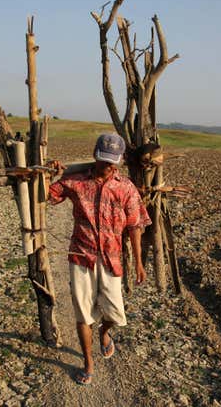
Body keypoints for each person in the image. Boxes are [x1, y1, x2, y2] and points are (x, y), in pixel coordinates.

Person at [47, 133, 151, 385]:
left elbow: (135, 225)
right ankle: (88, 363)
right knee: (84, 314)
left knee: (115, 314)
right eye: (103, 160)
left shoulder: (125, 187)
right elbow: (48, 196)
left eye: (111, 162)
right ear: (95, 155)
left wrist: (138, 261)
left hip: (112, 258)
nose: (107, 166)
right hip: (81, 256)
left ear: (119, 160)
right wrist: (50, 175)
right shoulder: (76, 180)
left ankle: (105, 334)